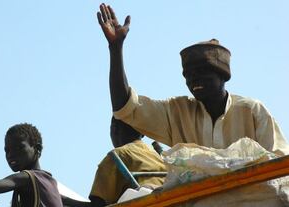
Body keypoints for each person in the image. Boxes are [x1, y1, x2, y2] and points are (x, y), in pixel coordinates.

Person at [96, 3, 289, 155]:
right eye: (187, 75)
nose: (192, 79)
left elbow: (279, 164)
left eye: (200, 72)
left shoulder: (252, 111)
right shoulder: (177, 113)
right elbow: (125, 108)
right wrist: (115, 48)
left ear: (222, 75)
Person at [62, 117, 166, 207]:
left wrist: (62, 199)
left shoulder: (117, 155)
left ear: (114, 129)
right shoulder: (159, 156)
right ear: (143, 133)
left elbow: (97, 205)